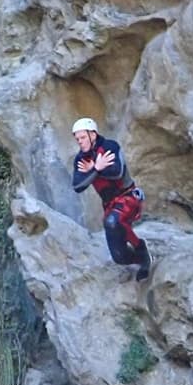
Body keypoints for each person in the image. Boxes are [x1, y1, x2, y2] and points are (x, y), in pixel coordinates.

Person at [69, 117, 150, 281]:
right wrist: (97, 168)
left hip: (128, 196)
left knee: (113, 221)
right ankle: (140, 257)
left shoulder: (110, 147)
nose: (80, 142)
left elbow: (117, 172)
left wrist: (93, 170)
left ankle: (141, 249)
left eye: (83, 137)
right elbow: (78, 186)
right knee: (119, 257)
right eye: (77, 139)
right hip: (109, 205)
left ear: (93, 134)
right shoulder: (81, 159)